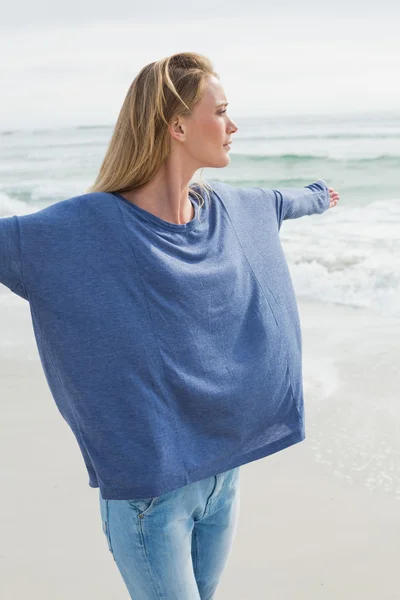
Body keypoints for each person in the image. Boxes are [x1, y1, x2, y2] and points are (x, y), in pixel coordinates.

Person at [0, 52, 340, 599]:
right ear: (177, 126)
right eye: (222, 111)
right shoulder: (78, 231)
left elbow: (282, 202)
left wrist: (320, 195)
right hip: (150, 498)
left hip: (222, 477)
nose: (233, 126)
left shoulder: (230, 208)